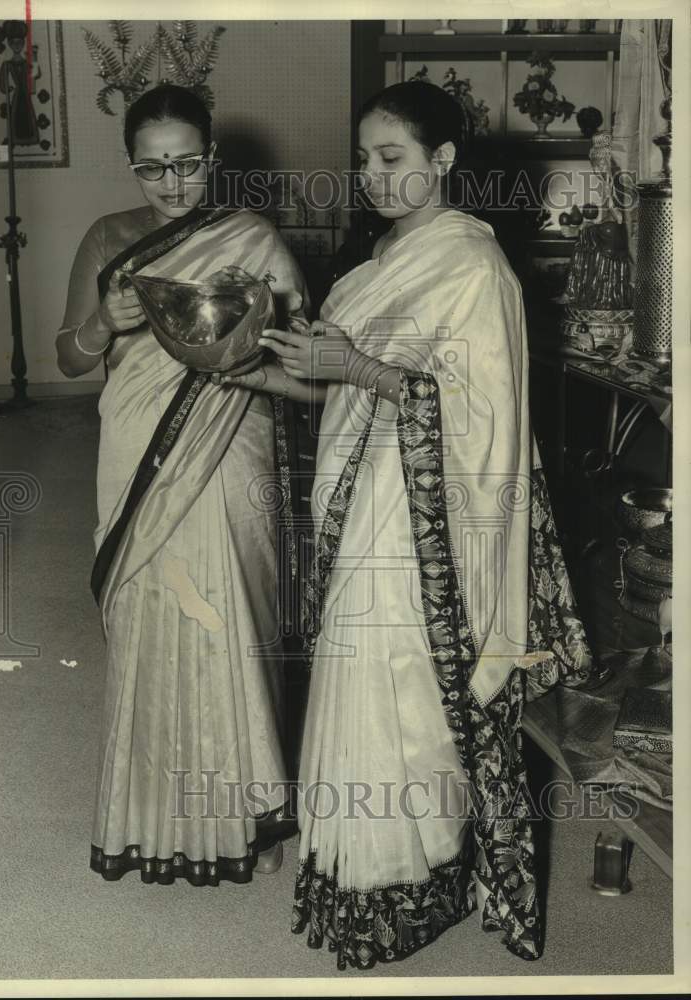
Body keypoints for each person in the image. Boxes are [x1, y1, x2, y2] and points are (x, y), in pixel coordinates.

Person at [225, 80, 600, 968]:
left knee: (402, 681)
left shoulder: (473, 265)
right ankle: (360, 868)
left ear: (442, 162)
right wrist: (264, 376)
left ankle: (412, 872)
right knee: (358, 676)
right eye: (363, 160)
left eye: (392, 159)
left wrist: (353, 363)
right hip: (364, 498)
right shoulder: (374, 263)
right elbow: (336, 388)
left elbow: (487, 415)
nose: (373, 176)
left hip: (428, 510)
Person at [55, 84, 314, 886]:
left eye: (186, 164)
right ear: (131, 165)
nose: (170, 183)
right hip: (137, 452)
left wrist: (242, 346)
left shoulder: (252, 238)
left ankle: (241, 813)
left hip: (228, 445)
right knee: (150, 616)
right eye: (151, 167)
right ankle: (148, 816)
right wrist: (107, 320)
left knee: (229, 612)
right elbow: (68, 355)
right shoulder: (109, 238)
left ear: (213, 158)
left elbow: (305, 364)